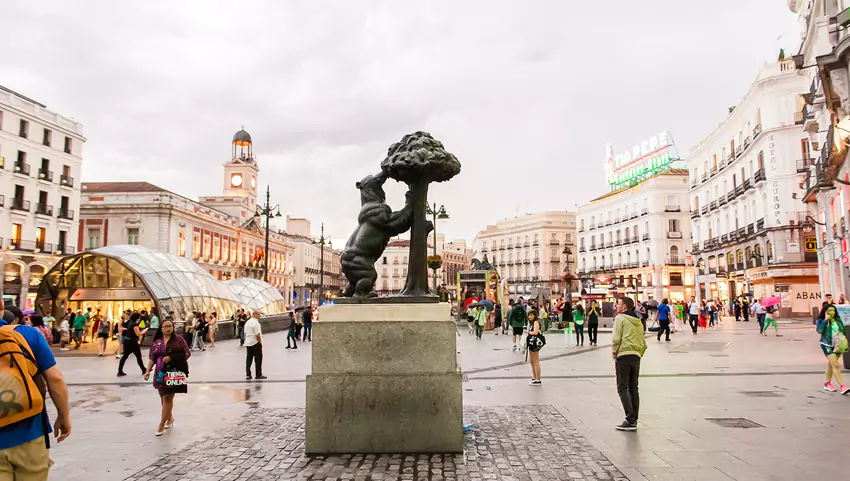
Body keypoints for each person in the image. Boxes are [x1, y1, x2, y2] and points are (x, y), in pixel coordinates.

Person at [0, 301, 72, 479]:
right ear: (1, 307)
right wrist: (63, 416)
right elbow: (55, 379)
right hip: (29, 433)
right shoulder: (27, 334)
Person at [144, 318, 191, 436]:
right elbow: (152, 358)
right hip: (160, 372)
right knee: (163, 396)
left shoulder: (178, 340)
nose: (168, 328)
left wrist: (172, 358)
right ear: (161, 328)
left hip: (173, 371)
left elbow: (187, 353)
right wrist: (148, 371)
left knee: (167, 397)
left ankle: (161, 424)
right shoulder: (157, 342)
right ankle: (169, 418)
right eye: (166, 326)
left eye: (170, 326)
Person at [611, 297, 647, 431]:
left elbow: (616, 339)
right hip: (635, 356)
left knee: (622, 387)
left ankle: (630, 418)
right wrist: (639, 353)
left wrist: (615, 353)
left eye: (618, 304)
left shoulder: (620, 319)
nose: (616, 306)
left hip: (623, 355)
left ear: (624, 307)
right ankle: (634, 419)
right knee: (633, 388)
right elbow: (643, 342)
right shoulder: (638, 321)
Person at [816, 304, 849, 394]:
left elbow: (842, 330)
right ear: (825, 311)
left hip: (837, 345)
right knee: (836, 365)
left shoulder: (837, 320)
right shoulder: (820, 320)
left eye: (833, 311)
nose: (832, 312)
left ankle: (827, 383)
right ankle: (843, 386)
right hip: (826, 344)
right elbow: (819, 330)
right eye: (830, 310)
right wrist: (825, 320)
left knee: (831, 364)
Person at [118, 313, 147, 377]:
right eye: (139, 318)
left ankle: (120, 370)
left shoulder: (130, 323)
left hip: (127, 341)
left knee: (125, 356)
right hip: (133, 342)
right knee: (138, 356)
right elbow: (138, 334)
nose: (139, 319)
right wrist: (144, 331)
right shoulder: (135, 325)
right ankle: (143, 369)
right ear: (137, 318)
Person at [245, 310, 267, 380]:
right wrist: (260, 342)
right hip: (255, 342)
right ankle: (258, 374)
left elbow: (245, 333)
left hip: (248, 342)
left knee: (249, 359)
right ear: (256, 315)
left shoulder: (247, 322)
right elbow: (257, 335)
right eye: (259, 315)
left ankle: (248, 374)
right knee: (258, 359)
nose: (260, 316)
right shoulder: (256, 323)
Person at [526, 310, 543, 386]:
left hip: (535, 343)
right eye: (529, 315)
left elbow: (535, 332)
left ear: (535, 315)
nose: (530, 317)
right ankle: (534, 377)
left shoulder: (536, 322)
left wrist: (527, 332)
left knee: (535, 361)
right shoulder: (532, 323)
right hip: (531, 343)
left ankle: (538, 379)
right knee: (532, 361)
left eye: (532, 315)